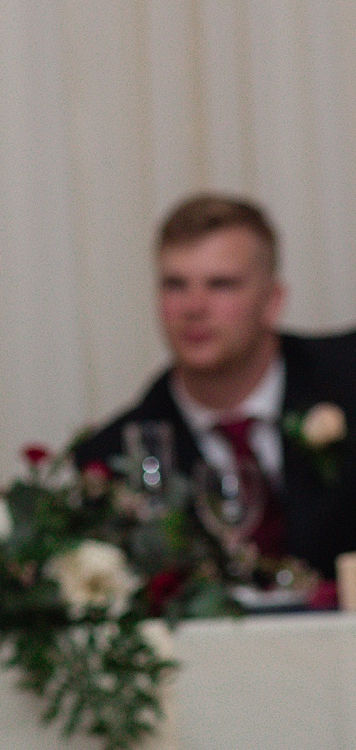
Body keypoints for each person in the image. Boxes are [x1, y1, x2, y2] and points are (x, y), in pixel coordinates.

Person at [74, 194, 356, 578]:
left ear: (272, 301)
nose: (194, 307)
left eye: (221, 284)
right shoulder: (113, 457)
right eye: (175, 285)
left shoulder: (345, 377)